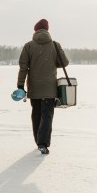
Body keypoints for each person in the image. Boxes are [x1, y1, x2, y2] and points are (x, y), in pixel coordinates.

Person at [17, 18, 69, 155]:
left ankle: (38, 141)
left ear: (35, 30)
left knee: (36, 114)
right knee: (47, 116)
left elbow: (23, 67)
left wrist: (20, 85)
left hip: (34, 88)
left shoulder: (28, 46)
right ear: (47, 30)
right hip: (50, 89)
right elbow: (64, 62)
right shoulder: (55, 45)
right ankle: (43, 143)